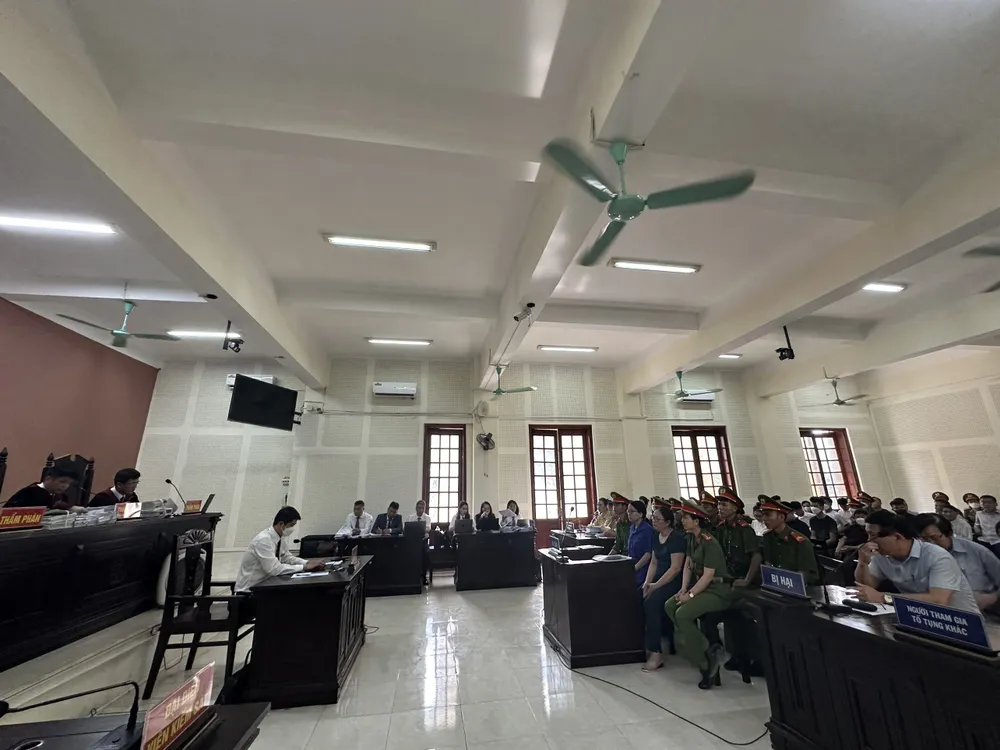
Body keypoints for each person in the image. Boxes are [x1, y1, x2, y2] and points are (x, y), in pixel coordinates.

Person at [855, 509, 980, 612]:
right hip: (919, 616)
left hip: (960, 622)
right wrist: (863, 563)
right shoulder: (881, 555)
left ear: (897, 536)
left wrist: (883, 597)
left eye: (873, 535)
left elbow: (938, 600)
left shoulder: (937, 556)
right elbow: (867, 588)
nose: (869, 540)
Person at [665, 499, 732, 690]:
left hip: (717, 591)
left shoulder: (710, 543)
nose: (682, 520)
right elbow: (688, 565)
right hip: (700, 588)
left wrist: (690, 596)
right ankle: (706, 649)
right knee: (670, 605)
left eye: (686, 517)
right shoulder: (690, 538)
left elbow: (709, 575)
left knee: (682, 614)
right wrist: (683, 589)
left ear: (696, 521)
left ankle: (705, 664)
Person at [916, 513, 1000, 613]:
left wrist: (991, 598)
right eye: (923, 540)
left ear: (949, 533)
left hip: (985, 612)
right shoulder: (918, 558)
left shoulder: (977, 551)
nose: (930, 544)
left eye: (934, 538)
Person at [235, 506, 324, 593]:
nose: (293, 529)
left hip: (266, 586)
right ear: (281, 524)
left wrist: (307, 562)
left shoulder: (280, 538)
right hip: (249, 591)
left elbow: (286, 557)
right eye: (291, 525)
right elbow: (274, 569)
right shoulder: (263, 540)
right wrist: (304, 567)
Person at [640, 505, 686, 672]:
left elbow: (675, 569)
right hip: (657, 580)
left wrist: (655, 586)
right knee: (638, 595)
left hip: (672, 582)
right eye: (653, 517)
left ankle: (656, 653)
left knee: (651, 603)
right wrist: (647, 583)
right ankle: (641, 645)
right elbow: (653, 563)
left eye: (657, 519)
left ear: (667, 522)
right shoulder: (656, 535)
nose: (654, 521)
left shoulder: (677, 538)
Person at [714, 491, 761, 588]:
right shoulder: (720, 528)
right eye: (719, 504)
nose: (720, 508)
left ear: (734, 509)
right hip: (725, 575)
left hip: (741, 576)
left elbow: (756, 556)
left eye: (724, 505)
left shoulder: (744, 530)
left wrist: (747, 580)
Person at [4, 467, 86, 511]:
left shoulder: (60, 496)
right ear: (48, 479)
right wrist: (69, 508)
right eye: (62, 481)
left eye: (69, 484)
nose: (65, 486)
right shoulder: (31, 492)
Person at [626, 499, 655, 587]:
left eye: (632, 511)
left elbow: (648, 554)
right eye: (628, 511)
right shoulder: (632, 527)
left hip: (642, 569)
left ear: (640, 514)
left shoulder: (647, 530)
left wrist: (634, 569)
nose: (629, 514)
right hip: (632, 564)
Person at [407, 499, 433, 585]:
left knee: (425, 553)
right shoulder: (410, 517)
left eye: (423, 508)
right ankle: (413, 575)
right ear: (416, 508)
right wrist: (419, 529)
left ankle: (424, 576)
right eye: (419, 508)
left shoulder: (427, 518)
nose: (421, 510)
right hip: (413, 541)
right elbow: (407, 528)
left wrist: (417, 529)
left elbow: (428, 528)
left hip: (423, 540)